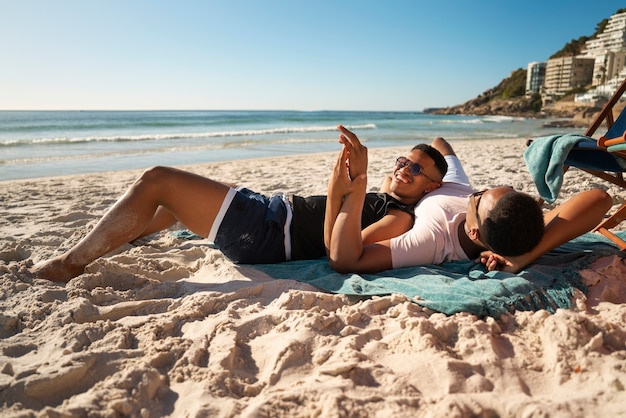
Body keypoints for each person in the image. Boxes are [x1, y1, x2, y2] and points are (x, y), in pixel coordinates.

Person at [31, 126, 449, 283]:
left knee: (158, 180)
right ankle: (128, 233)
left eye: (416, 170)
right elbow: (440, 145)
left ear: (431, 189)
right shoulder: (383, 195)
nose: (404, 170)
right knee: (206, 190)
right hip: (267, 209)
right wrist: (344, 175)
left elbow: (337, 251)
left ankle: (70, 263)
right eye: (403, 161)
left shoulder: (396, 217)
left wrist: (352, 182)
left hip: (266, 235)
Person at [325, 126, 614, 274]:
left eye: (478, 198)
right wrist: (530, 252)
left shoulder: (432, 241)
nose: (475, 192)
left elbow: (346, 260)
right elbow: (600, 198)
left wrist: (518, 261)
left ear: (475, 232)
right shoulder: (463, 188)